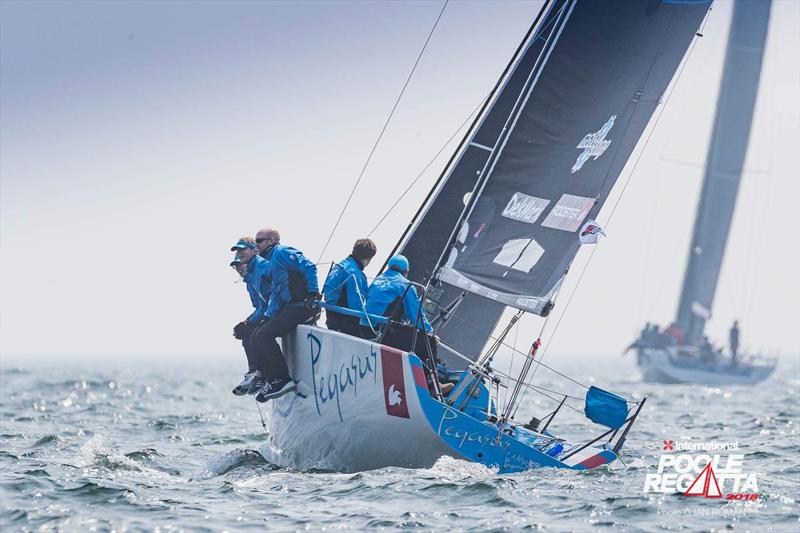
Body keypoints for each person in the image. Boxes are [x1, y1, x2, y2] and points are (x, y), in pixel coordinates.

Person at [251, 236, 320, 402]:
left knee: (263, 336)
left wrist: (313, 293)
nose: (256, 244)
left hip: (303, 306)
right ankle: (270, 377)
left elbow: (309, 267)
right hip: (291, 307)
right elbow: (276, 293)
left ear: (272, 240)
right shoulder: (271, 263)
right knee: (258, 333)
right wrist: (268, 317)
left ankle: (282, 378)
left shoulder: (282, 252)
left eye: (259, 240)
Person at [362, 255, 436, 360]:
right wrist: (430, 332)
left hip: (364, 328)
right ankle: (429, 373)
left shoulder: (377, 280)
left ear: (389, 267)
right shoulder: (406, 285)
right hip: (383, 334)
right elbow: (416, 316)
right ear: (406, 271)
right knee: (428, 340)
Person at [230, 237, 271, 396]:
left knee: (255, 335)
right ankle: (253, 372)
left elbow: (265, 305)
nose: (238, 268)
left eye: (240, 264)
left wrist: (249, 322)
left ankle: (259, 374)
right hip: (267, 311)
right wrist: (248, 321)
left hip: (275, 311)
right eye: (235, 266)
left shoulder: (259, 271)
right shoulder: (249, 281)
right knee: (246, 335)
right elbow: (259, 307)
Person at [323, 238, 377, 337]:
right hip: (344, 324)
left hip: (331, 318)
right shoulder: (355, 273)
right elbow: (355, 305)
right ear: (368, 259)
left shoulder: (339, 266)